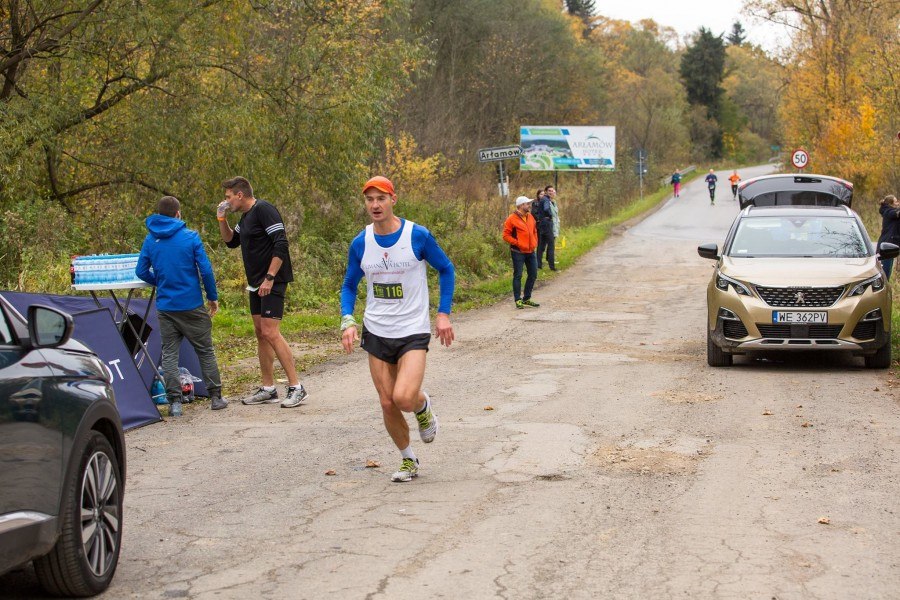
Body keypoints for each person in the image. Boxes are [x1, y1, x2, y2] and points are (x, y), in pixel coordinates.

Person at [340, 176, 455, 483]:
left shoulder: (416, 235)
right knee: (387, 400)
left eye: (381, 198)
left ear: (393, 200)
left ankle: (423, 405)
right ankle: (408, 459)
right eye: (369, 200)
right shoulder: (361, 242)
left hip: (412, 328)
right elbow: (350, 284)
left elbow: (446, 269)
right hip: (377, 329)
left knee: (404, 397)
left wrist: (443, 314)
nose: (375, 205)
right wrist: (347, 319)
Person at [216, 176, 309, 408]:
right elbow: (231, 241)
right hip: (255, 282)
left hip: (272, 281)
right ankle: (268, 388)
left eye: (228, 198)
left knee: (271, 332)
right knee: (261, 333)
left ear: (240, 195)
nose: (226, 201)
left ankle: (297, 387)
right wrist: (221, 217)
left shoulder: (263, 210)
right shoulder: (246, 217)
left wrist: (270, 277)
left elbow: (281, 243)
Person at [136, 196, 226, 411]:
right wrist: (212, 297)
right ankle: (216, 397)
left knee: (169, 354)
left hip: (166, 306)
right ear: (178, 214)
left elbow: (140, 271)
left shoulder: (150, 240)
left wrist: (160, 281)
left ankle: (175, 403)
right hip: (192, 305)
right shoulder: (191, 237)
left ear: (159, 214)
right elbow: (205, 270)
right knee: (205, 350)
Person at [503, 196, 540, 309]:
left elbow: (534, 231)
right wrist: (518, 243)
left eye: (529, 203)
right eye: (527, 203)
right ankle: (518, 300)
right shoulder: (511, 218)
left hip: (530, 251)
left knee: (533, 274)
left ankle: (527, 299)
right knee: (518, 275)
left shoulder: (530, 217)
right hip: (518, 251)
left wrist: (534, 242)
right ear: (521, 206)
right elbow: (505, 235)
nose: (529, 205)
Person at [534, 185, 556, 270]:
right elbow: (546, 209)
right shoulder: (546, 200)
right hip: (547, 224)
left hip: (542, 225)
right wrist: (550, 215)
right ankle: (552, 267)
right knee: (551, 245)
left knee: (541, 246)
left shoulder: (542, 199)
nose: (551, 192)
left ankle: (538, 265)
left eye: (552, 191)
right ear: (546, 192)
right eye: (549, 191)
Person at [878, 194, 900, 279]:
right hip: (886, 247)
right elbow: (896, 213)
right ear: (890, 204)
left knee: (887, 272)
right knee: (885, 274)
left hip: (891, 245)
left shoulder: (890, 211)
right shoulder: (888, 212)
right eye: (895, 201)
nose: (897, 203)